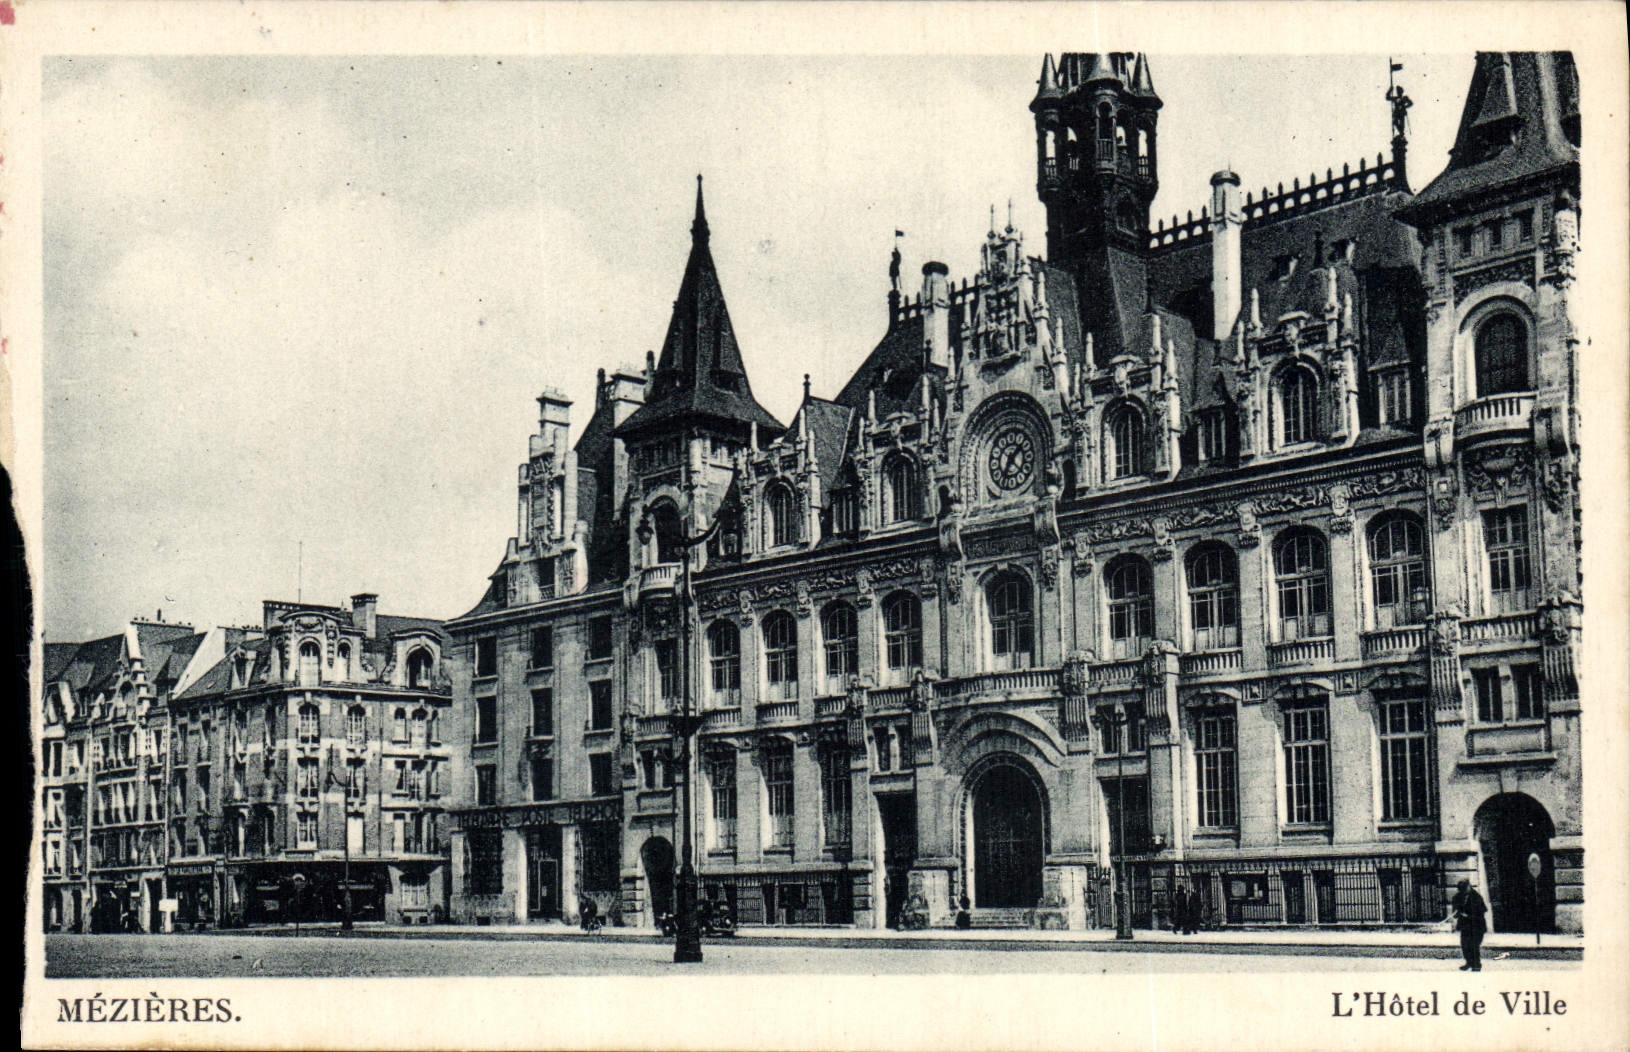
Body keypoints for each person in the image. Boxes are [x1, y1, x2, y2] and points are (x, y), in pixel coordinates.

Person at [1450, 879, 1488, 971]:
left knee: (1474, 945)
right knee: (1465, 945)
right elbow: (1455, 913)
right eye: (1461, 889)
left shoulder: (1476, 897)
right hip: (1465, 926)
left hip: (1477, 925)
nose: (1464, 890)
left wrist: (1469, 915)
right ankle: (1469, 962)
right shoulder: (1458, 897)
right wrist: (1457, 912)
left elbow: (1483, 910)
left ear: (1469, 886)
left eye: (1465, 888)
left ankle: (1476, 965)